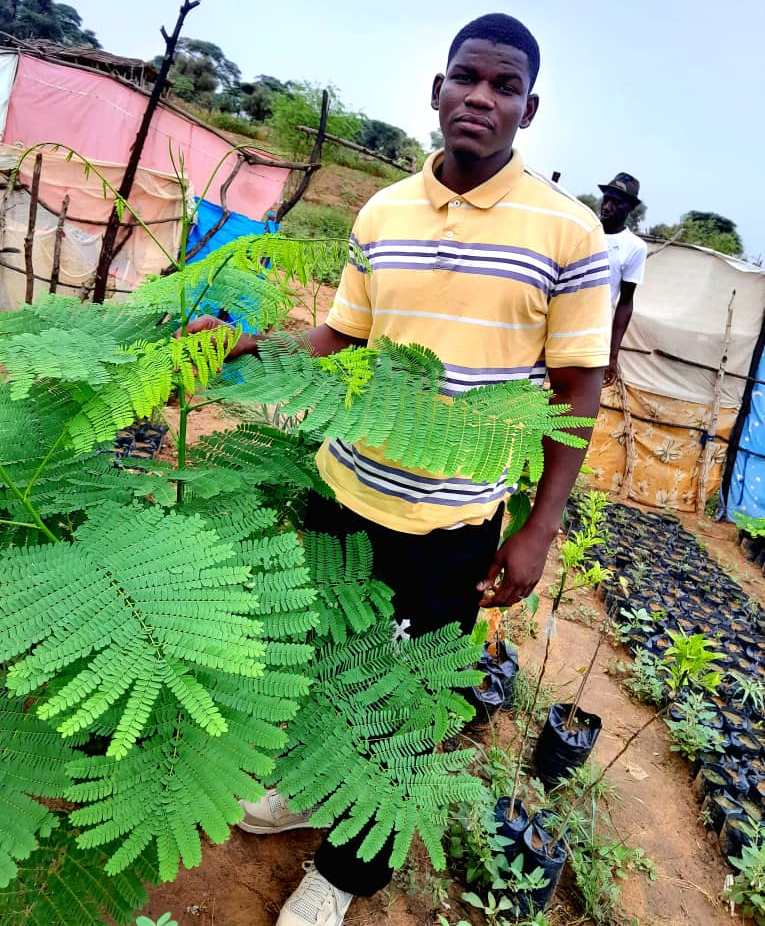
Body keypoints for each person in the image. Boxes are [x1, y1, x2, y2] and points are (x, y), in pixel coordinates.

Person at [187, 13, 611, 925]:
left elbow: (578, 385)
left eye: (503, 87)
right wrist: (247, 351)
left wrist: (539, 525)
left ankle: (341, 877)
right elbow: (339, 333)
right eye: (467, 78)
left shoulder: (571, 234)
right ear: (437, 89)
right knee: (324, 663)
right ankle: (306, 791)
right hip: (344, 490)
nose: (480, 99)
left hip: (455, 522)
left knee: (402, 706)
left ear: (527, 110)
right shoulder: (381, 213)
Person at [598, 172, 647, 385]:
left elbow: (625, 302)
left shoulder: (634, 247)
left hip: (591, 330)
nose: (607, 207)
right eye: (606, 199)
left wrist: (612, 355)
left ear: (629, 208)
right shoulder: (584, 229)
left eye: (615, 202)